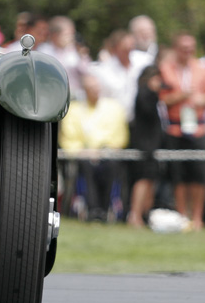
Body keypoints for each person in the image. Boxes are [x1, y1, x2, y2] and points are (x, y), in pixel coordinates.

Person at [159, 32, 205, 229]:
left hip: (198, 128)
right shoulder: (166, 69)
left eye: (191, 49)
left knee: (198, 175)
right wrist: (182, 96)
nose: (188, 52)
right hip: (175, 128)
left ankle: (197, 217)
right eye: (184, 49)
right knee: (179, 175)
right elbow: (162, 98)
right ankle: (182, 215)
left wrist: (200, 99)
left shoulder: (202, 69)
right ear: (176, 49)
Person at [58, 72, 129, 221]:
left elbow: (119, 135)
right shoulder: (74, 110)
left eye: (96, 87)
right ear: (84, 90)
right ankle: (92, 209)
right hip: (84, 155)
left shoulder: (113, 108)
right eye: (91, 88)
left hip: (107, 153)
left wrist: (104, 149)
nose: (95, 91)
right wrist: (84, 151)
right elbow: (68, 137)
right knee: (86, 167)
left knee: (110, 166)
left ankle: (106, 208)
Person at [126, 64, 166, 228]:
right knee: (142, 178)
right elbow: (147, 113)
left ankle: (144, 214)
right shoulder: (145, 94)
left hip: (152, 144)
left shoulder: (149, 95)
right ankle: (135, 215)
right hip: (144, 144)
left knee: (150, 179)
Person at [94, 29, 147, 121]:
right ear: (115, 48)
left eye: (130, 47)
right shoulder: (104, 70)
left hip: (140, 119)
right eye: (124, 49)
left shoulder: (144, 62)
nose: (128, 52)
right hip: (114, 119)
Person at [38, 15, 90, 99]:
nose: (71, 38)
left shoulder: (75, 51)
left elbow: (87, 72)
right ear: (55, 35)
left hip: (75, 98)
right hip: (51, 97)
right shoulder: (43, 51)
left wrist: (82, 56)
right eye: (68, 34)